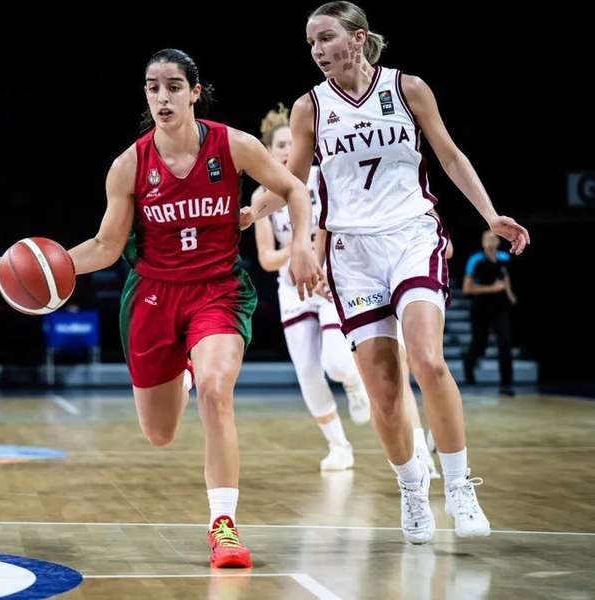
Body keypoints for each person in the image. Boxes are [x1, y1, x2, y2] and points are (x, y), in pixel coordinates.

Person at [45, 48, 321, 568]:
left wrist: (302, 242)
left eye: (173, 86)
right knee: (160, 434)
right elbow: (106, 247)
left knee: (218, 389)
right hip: (153, 297)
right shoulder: (129, 165)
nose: (162, 96)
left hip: (218, 290)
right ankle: (186, 370)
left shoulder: (233, 145)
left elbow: (294, 188)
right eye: (152, 87)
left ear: (195, 91)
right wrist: (46, 265)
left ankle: (224, 525)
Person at [287, 2, 529, 543]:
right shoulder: (310, 108)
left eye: (326, 38)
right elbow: (290, 183)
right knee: (386, 393)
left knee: (428, 359)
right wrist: (281, 232)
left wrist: (491, 214)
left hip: (410, 235)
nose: (317, 50)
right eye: (310, 44)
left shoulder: (408, 88)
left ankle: (460, 485)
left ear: (358, 37)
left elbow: (450, 155)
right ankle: (412, 488)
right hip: (351, 251)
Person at [252, 103, 370, 473]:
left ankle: (355, 382)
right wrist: (297, 247)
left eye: (292, 143)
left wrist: (313, 254)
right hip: (292, 288)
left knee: (336, 362)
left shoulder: (320, 177)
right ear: (268, 153)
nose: (287, 150)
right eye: (280, 146)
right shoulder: (261, 198)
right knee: (307, 372)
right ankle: (339, 446)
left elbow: (338, 225)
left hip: (328, 279)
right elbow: (267, 259)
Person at [462, 230, 517, 396]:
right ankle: (468, 364)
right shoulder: (475, 260)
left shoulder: (505, 258)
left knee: (505, 344)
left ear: (498, 242)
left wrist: (509, 294)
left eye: (494, 239)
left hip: (500, 307)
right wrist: (492, 288)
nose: (491, 241)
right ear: (482, 242)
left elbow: (505, 276)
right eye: (487, 238)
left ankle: (506, 384)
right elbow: (467, 288)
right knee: (479, 344)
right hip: (480, 306)